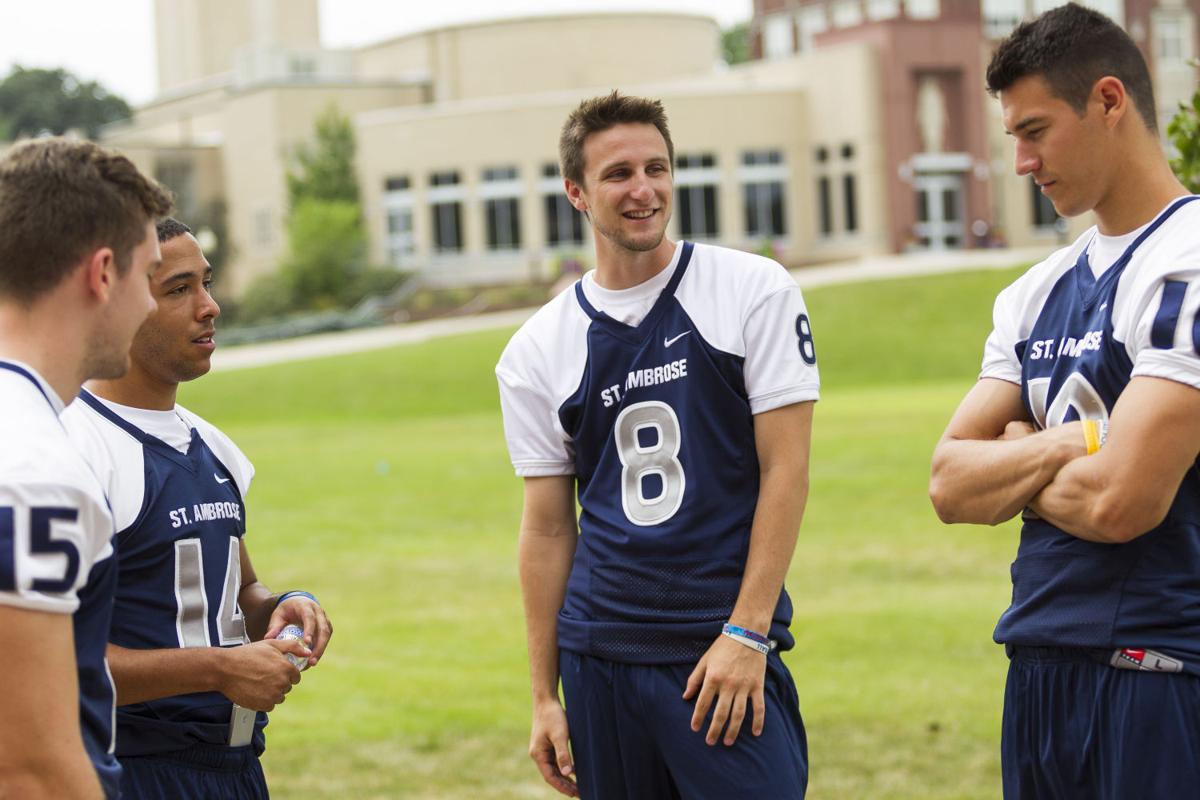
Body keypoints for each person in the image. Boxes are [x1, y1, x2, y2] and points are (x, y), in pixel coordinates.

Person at [496, 92, 818, 799]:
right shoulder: (535, 349)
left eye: (657, 168)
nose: (643, 189)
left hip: (717, 644)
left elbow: (786, 470)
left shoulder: (753, 289)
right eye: (618, 174)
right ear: (576, 193)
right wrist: (543, 695)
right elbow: (547, 528)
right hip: (599, 654)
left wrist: (748, 633)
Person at [929, 4, 1200, 797]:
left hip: (1156, 667)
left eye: (1036, 131)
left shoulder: (1186, 261)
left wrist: (1017, 456)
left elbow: (1122, 502)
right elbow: (948, 483)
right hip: (1038, 666)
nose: (1021, 162)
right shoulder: (1034, 291)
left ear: (1108, 101)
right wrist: (1070, 441)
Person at [61, 218, 333, 799]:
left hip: (234, 765)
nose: (210, 307)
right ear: (114, 302)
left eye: (206, 283)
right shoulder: (74, 449)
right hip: (131, 768)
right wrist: (219, 669)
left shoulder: (212, 444)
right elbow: (56, 660)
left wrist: (283, 608)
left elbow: (240, 591)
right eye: (178, 289)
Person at [0, 137, 172, 798]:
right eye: (148, 275)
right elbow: (29, 767)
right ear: (102, 274)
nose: (151, 305)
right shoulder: (32, 467)